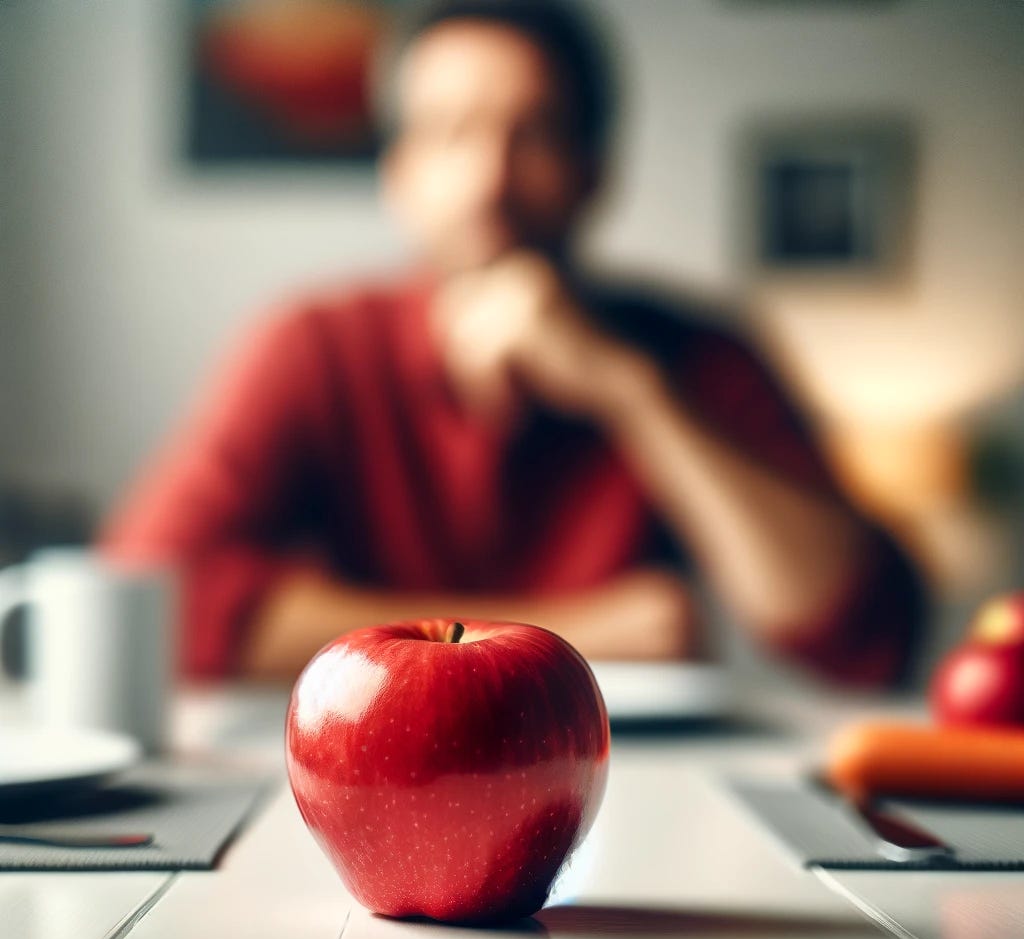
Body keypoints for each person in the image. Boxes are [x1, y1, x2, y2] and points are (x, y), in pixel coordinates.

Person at [102, 0, 924, 686]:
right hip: (372, 777)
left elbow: (861, 629)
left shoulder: (690, 355)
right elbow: (145, 604)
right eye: (452, 132)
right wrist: (590, 631)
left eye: (533, 134)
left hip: (623, 794)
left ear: (596, 171)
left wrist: (631, 392)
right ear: (400, 173)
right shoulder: (316, 347)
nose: (490, 179)